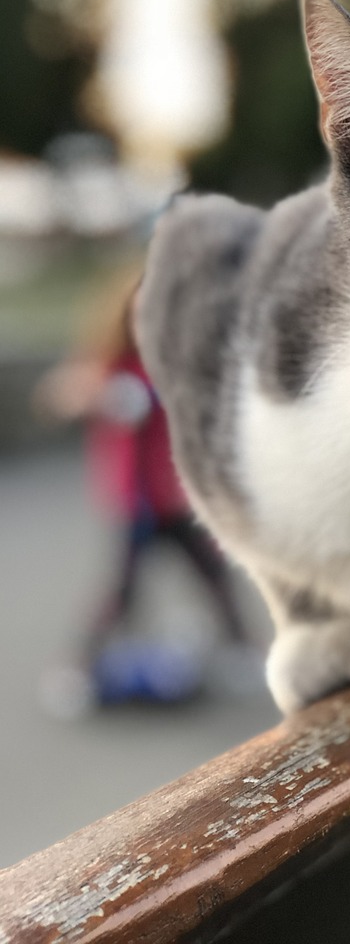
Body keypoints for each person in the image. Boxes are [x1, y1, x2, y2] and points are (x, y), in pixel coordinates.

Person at [34, 262, 253, 706]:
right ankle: (77, 668)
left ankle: (240, 651)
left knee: (214, 575)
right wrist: (99, 396)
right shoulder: (108, 361)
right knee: (122, 588)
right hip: (134, 501)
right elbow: (57, 396)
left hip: (177, 496)